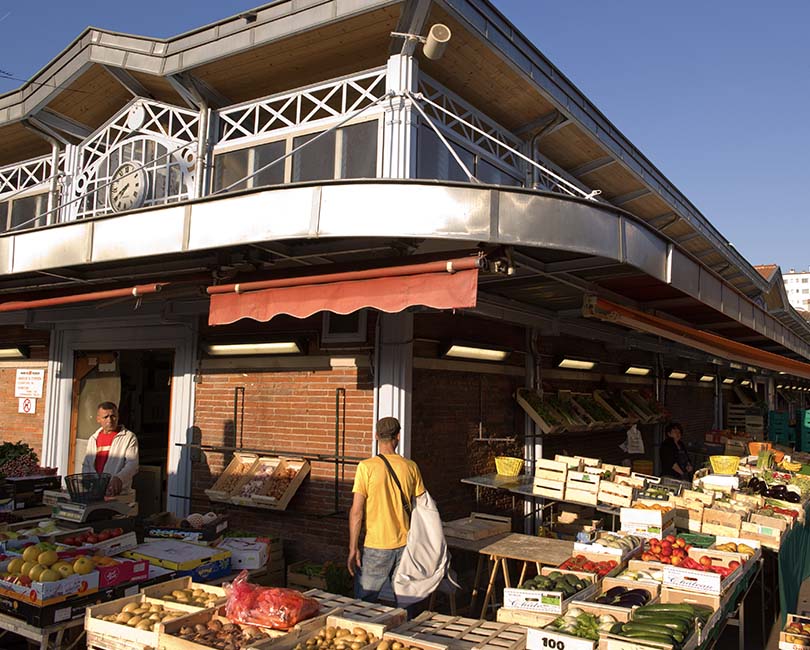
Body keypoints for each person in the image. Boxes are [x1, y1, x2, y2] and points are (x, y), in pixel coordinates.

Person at [348, 416, 425, 604]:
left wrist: (353, 548)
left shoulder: (366, 468)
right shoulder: (411, 467)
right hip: (406, 544)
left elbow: (357, 512)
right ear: (398, 436)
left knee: (364, 603)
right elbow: (423, 507)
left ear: (376, 436)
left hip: (376, 545)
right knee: (407, 601)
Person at [82, 401, 139, 496]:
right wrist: (87, 483)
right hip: (96, 492)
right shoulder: (93, 438)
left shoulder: (128, 437)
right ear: (98, 419)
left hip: (119, 494)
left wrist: (119, 478)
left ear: (118, 416)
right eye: (105, 417)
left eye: (113, 416)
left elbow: (132, 464)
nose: (110, 420)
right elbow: (87, 465)